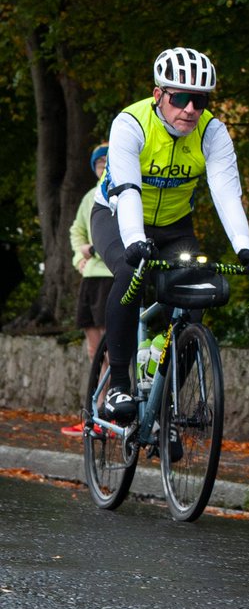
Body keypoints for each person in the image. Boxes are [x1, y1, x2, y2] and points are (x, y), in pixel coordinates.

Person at [91, 47, 249, 427]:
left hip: (174, 226)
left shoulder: (212, 131)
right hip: (116, 216)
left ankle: (163, 407)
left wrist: (244, 247)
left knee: (197, 297)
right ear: (159, 96)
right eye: (181, 98)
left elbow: (225, 192)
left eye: (200, 100)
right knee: (129, 276)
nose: (190, 109)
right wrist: (136, 241)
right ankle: (119, 386)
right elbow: (127, 189)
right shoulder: (131, 124)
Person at [62, 144, 114, 436]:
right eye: (99, 163)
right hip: (91, 278)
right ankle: (93, 414)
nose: (103, 167)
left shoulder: (121, 193)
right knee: (93, 349)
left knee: (112, 349)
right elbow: (76, 231)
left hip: (111, 275)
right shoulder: (88, 198)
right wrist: (79, 256)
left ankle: (111, 410)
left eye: (108, 161)